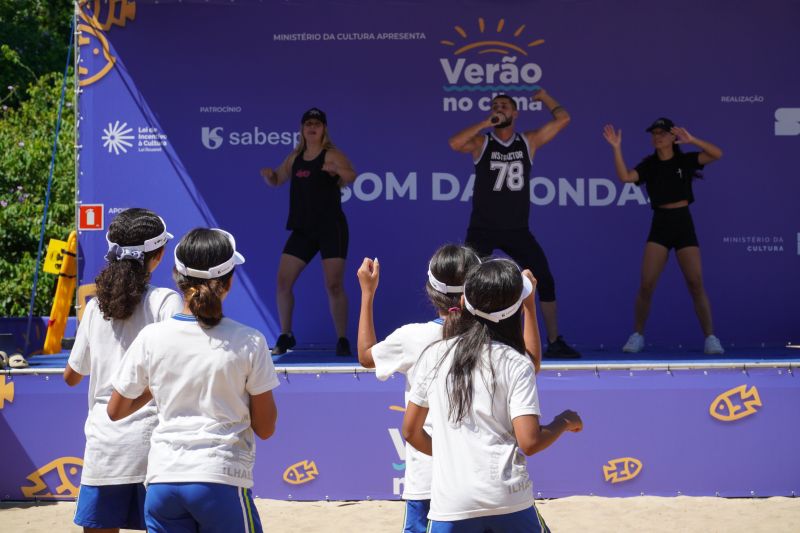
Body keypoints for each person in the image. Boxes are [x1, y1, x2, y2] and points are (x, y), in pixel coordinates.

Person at [107, 228, 279, 533]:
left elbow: (115, 411)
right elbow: (265, 428)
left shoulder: (152, 338)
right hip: (220, 479)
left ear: (177, 275)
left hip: (162, 482)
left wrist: (161, 383)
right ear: (228, 282)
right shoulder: (249, 341)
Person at [402, 259, 582, 532]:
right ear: (515, 311)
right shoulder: (516, 362)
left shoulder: (434, 356)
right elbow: (530, 442)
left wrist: (454, 458)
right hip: (507, 498)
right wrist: (564, 422)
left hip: (451, 502)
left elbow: (411, 431)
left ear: (463, 302)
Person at [63, 208, 182, 533]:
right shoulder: (165, 302)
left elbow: (72, 376)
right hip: (155, 449)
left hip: (104, 447)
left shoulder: (93, 307)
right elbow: (176, 372)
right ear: (157, 256)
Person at [448, 89, 580, 358]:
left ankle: (554, 340)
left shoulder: (527, 141)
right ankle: (462, 338)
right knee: (467, 280)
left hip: (517, 229)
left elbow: (564, 118)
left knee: (544, 277)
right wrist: (486, 123)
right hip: (483, 227)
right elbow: (454, 143)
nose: (499, 109)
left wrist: (545, 98)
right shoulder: (482, 143)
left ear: (515, 113)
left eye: (505, 106)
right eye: (495, 106)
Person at [603, 118, 724, 354]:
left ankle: (711, 338)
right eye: (654, 133)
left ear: (673, 137)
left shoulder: (685, 160)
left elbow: (717, 153)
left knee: (695, 282)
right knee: (647, 284)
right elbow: (626, 177)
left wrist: (692, 140)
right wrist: (616, 148)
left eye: (662, 133)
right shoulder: (650, 165)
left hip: (683, 223)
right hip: (660, 223)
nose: (657, 137)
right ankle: (637, 335)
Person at [261, 107, 357, 356]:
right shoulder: (295, 158)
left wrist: (337, 171)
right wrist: (269, 176)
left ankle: (342, 339)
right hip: (303, 229)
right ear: (302, 129)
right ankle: (286, 334)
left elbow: (352, 175)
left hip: (331, 227)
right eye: (308, 123)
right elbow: (278, 180)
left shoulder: (331, 154)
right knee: (283, 282)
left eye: (317, 123)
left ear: (324, 128)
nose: (312, 127)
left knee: (333, 285)